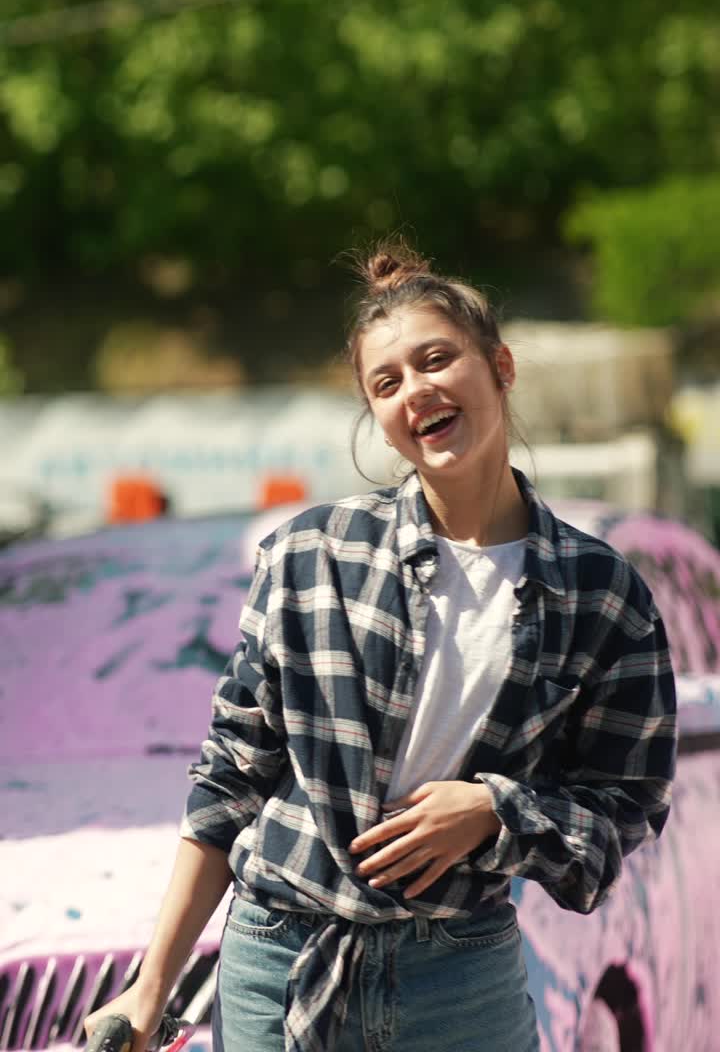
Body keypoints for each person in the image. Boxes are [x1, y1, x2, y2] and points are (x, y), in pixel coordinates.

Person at [85, 242, 677, 1052]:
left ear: (500, 365)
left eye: (438, 359)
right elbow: (230, 777)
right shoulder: (308, 556)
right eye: (386, 382)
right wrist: (150, 990)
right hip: (279, 955)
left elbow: (625, 809)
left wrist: (495, 811)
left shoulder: (603, 593)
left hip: (459, 975)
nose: (417, 391)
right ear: (379, 421)